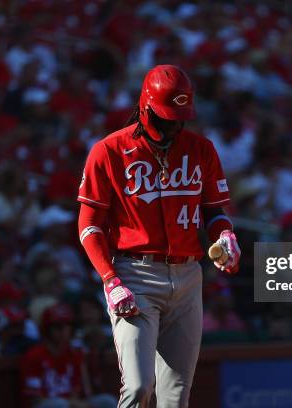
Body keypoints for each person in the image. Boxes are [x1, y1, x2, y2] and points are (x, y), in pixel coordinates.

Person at [77, 64, 241, 407]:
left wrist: (226, 235)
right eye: (167, 117)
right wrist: (110, 279)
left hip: (187, 275)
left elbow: (214, 212)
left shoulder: (201, 149)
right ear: (145, 107)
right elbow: (89, 225)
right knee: (138, 388)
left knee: (176, 396)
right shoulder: (108, 152)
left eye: (179, 117)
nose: (174, 124)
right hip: (134, 274)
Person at [20, 303, 117, 408]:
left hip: (71, 404)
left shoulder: (74, 354)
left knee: (107, 401)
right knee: (60, 404)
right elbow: (35, 399)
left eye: (68, 326)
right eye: (58, 327)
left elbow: (76, 391)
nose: (64, 331)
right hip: (47, 404)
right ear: (47, 329)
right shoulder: (34, 355)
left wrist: (77, 404)